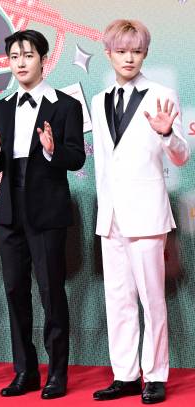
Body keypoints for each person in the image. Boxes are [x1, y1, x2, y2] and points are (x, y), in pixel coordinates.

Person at [0, 30, 85, 399]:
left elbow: (77, 158)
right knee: (14, 292)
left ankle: (57, 373)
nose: (20, 62)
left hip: (47, 212)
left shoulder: (65, 105)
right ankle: (24, 371)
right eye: (14, 57)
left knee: (51, 293)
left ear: (43, 59)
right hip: (10, 212)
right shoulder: (3, 107)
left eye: (27, 55)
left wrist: (53, 150)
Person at [90, 20, 189, 404]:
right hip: (111, 216)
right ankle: (126, 375)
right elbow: (103, 163)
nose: (129, 58)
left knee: (152, 299)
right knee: (118, 300)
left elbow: (180, 156)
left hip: (147, 214)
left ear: (145, 53)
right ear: (108, 53)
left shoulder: (162, 95)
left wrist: (166, 133)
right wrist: (104, 211)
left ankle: (156, 375)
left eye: (136, 51)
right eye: (121, 51)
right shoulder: (99, 100)